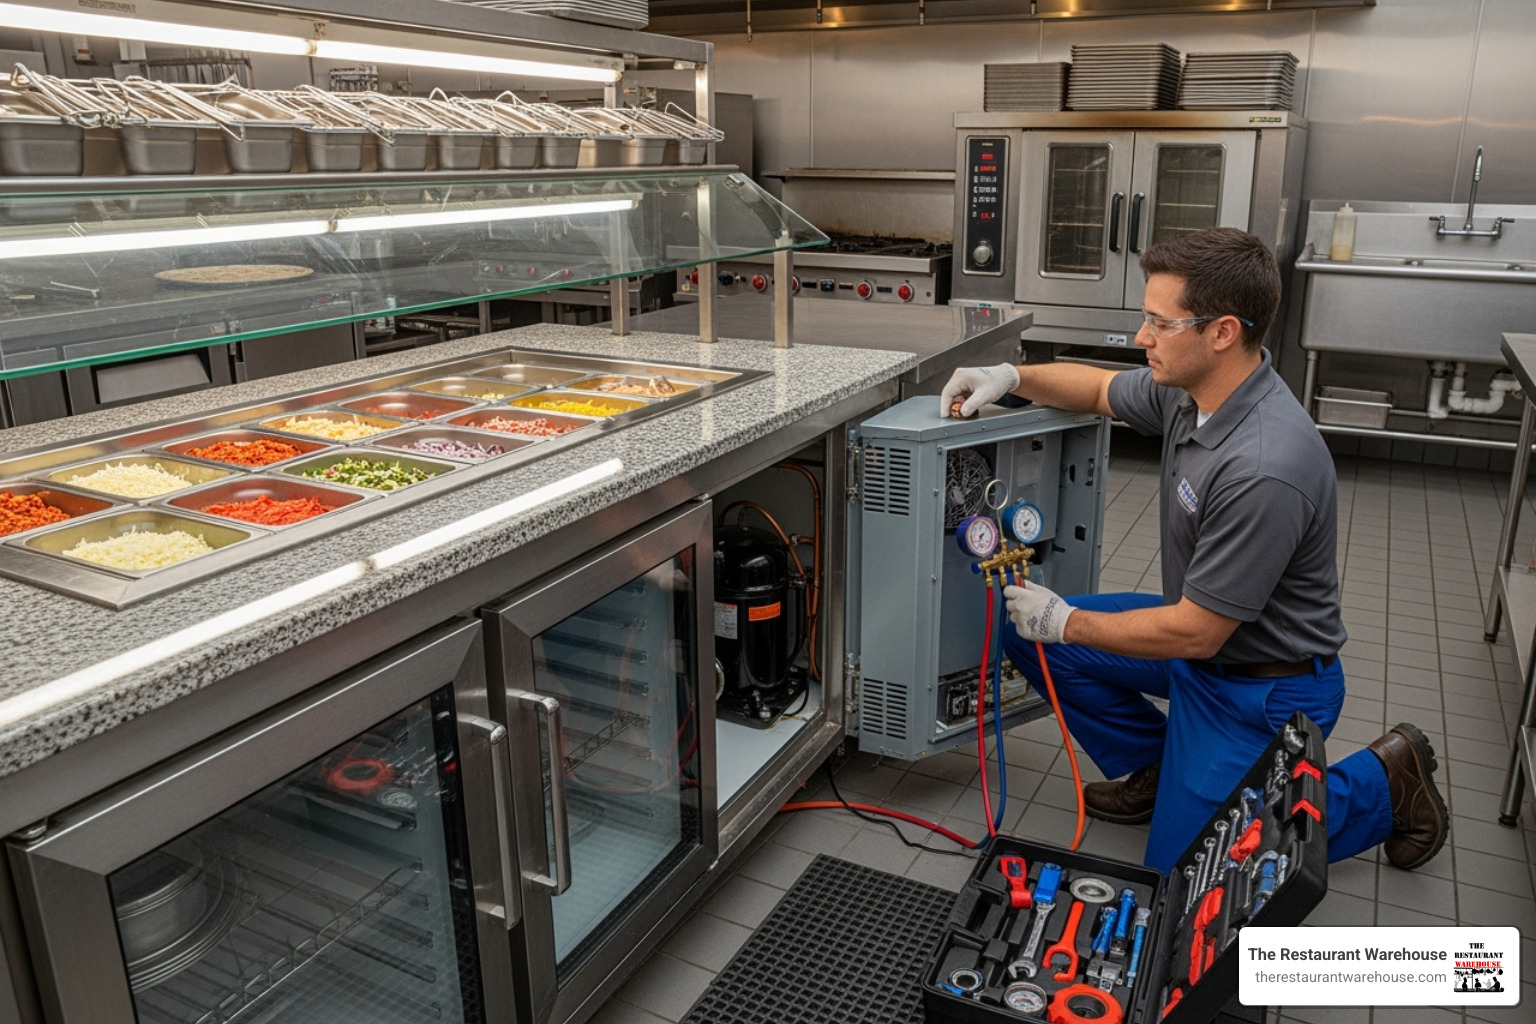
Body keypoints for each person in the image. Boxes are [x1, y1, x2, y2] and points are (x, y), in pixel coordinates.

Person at [939, 227, 1448, 874]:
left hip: (1260, 684)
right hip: (1202, 648)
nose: (1140, 338)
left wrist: (1065, 620)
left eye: (1159, 322)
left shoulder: (1265, 466)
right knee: (1029, 639)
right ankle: (1159, 767)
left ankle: (1384, 782)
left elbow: (1198, 633)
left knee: (1196, 879)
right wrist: (1010, 375)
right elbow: (1098, 390)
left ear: (1223, 332)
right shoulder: (1194, 394)